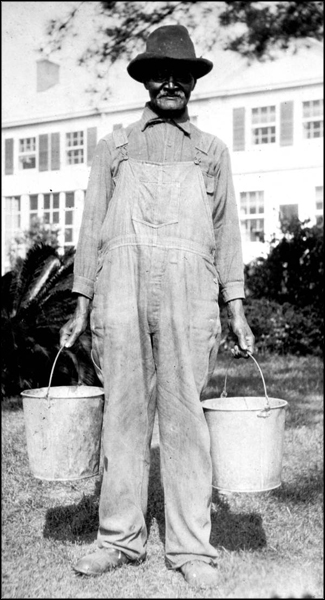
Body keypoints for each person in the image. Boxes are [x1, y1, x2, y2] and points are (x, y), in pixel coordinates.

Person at [60, 24, 255, 589]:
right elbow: (91, 229)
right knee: (123, 414)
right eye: (159, 73)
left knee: (185, 419)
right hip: (118, 288)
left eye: (182, 74)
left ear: (193, 82)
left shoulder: (212, 152)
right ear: (145, 81)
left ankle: (191, 548)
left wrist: (236, 308)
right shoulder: (114, 147)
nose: (171, 81)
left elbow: (228, 235)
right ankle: (118, 539)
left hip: (190, 293)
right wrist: (80, 304)